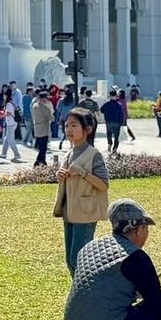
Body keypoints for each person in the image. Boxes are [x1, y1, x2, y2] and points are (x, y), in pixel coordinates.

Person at [55, 108, 110, 274]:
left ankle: (87, 293)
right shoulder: (69, 153)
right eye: (66, 126)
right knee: (70, 260)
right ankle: (79, 294)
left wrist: (82, 172)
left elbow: (103, 184)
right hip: (69, 210)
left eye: (74, 125)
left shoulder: (94, 154)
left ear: (87, 129)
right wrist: (60, 174)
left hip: (85, 212)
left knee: (78, 259)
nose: (69, 130)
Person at [31, 89, 54, 167]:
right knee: (43, 147)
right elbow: (52, 118)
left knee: (41, 146)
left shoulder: (35, 106)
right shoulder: (45, 108)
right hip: (44, 129)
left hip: (37, 128)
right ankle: (39, 161)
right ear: (43, 98)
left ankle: (42, 161)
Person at [0, 89, 23, 162]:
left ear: (6, 95)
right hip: (11, 122)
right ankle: (3, 153)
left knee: (10, 139)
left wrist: (2, 115)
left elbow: (9, 113)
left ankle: (17, 154)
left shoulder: (9, 104)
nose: (3, 96)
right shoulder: (11, 102)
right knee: (7, 138)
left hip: (11, 123)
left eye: (4, 95)